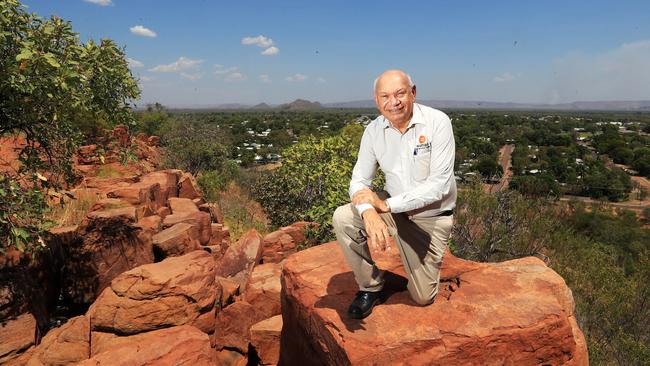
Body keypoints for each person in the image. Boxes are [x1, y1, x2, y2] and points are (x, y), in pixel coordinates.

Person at [332, 69, 457, 319]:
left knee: (422, 297)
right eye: (385, 96)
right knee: (343, 217)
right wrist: (369, 212)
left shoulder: (437, 122)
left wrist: (384, 206)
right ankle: (370, 286)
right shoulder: (373, 131)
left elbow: (439, 186)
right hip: (392, 210)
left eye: (400, 94)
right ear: (376, 100)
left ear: (413, 93)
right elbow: (358, 182)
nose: (393, 102)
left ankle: (413, 272)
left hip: (430, 218)